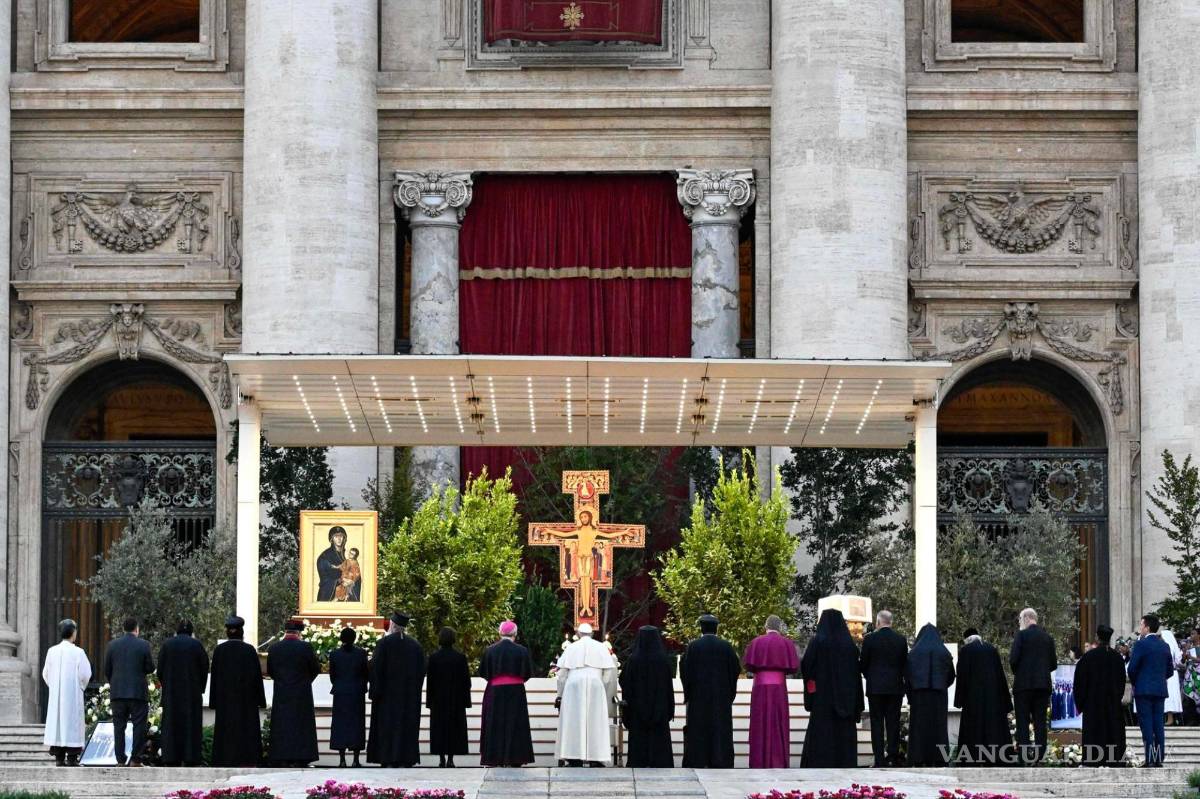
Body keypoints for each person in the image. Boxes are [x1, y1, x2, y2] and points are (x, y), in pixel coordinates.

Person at [800, 608, 864, 768]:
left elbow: (807, 665)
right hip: (846, 701)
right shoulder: (850, 646)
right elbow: (856, 675)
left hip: (822, 701)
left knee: (822, 736)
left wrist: (812, 690)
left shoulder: (817, 642)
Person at [680, 614, 740, 768]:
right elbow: (735, 670)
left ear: (701, 627)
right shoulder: (726, 647)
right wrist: (729, 693)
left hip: (698, 698)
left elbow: (685, 671)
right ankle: (720, 760)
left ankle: (697, 759)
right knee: (720, 731)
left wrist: (688, 692)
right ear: (716, 628)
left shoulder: (693, 647)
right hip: (721, 698)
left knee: (698, 730)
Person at [368, 611, 426, 767]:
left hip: (387, 697)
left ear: (392, 625)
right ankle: (406, 758)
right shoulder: (416, 646)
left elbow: (375, 669)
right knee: (406, 727)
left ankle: (387, 758)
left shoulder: (383, 644)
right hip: (408, 698)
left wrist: (375, 692)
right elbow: (421, 672)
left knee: (388, 727)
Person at [555, 622, 618, 766]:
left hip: (573, 684)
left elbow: (562, 674)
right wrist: (602, 685)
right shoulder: (601, 647)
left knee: (573, 721)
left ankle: (573, 757)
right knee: (595, 721)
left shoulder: (571, 647)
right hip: (596, 684)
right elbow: (608, 672)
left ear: (578, 634)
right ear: (592, 634)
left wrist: (560, 693)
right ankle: (595, 758)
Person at [209, 615, 266, 768]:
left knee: (226, 732)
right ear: (241, 632)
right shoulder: (249, 650)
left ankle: (225, 759)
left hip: (225, 701)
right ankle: (248, 759)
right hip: (246, 702)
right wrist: (261, 700)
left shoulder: (219, 651)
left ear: (227, 632)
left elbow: (214, 678)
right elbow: (257, 678)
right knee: (246, 732)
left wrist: (213, 700)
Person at [743, 615, 799, 768]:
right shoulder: (787, 643)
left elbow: (748, 664)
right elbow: (794, 666)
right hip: (779, 688)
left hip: (760, 686)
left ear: (765, 626)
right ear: (779, 627)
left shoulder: (756, 642)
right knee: (778, 722)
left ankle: (758, 761)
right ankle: (778, 761)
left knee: (759, 723)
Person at [479, 620, 535, 767]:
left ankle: (495, 758)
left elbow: (484, 672)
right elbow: (527, 673)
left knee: (495, 724)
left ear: (500, 633)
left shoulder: (490, 650)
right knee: (516, 724)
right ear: (515, 634)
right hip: (516, 692)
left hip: (495, 692)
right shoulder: (522, 650)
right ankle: (516, 758)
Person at [953, 628, 1012, 767]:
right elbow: (1000, 676)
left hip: (973, 700)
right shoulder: (992, 650)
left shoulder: (966, 651)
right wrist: (1006, 702)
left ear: (967, 640)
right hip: (993, 700)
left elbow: (961, 676)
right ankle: (995, 757)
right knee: (993, 729)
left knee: (973, 730)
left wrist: (959, 700)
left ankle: (971, 758)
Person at [619, 625, 675, 768]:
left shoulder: (633, 660)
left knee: (639, 739)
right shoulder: (663, 660)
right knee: (659, 738)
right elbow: (669, 685)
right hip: (659, 707)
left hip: (638, 708)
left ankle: (639, 760)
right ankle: (660, 760)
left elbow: (623, 681)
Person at [267, 618, 321, 767]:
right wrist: (305, 681)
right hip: (301, 693)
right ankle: (301, 758)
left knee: (282, 725)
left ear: (286, 632)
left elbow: (270, 671)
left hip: (282, 693)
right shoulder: (305, 647)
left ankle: (281, 757)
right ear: (299, 633)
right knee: (301, 725)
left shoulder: (274, 648)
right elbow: (316, 669)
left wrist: (282, 681)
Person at [859, 609, 909, 767]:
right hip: (895, 688)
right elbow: (904, 665)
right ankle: (893, 757)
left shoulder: (869, 639)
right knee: (893, 722)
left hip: (875, 688)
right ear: (891, 622)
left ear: (878, 622)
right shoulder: (901, 640)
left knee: (877, 723)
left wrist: (870, 677)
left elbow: (863, 665)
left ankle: (879, 758)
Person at [103, 617, 154, 767]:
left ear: (123, 629)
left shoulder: (112, 645)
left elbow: (107, 670)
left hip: (118, 693)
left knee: (119, 726)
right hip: (137, 693)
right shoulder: (144, 645)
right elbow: (150, 667)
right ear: (136, 629)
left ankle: (120, 759)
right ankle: (135, 759)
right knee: (139, 726)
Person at [157, 619, 209, 766]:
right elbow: (204, 668)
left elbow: (160, 670)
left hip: (171, 695)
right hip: (191, 695)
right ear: (191, 632)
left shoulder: (167, 645)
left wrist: (167, 685)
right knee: (191, 726)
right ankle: (191, 757)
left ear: (177, 631)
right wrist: (200, 688)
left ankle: (171, 757)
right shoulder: (197, 645)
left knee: (171, 725)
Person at [1073, 624, 1127, 766]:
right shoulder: (1117, 658)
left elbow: (1079, 681)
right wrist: (1116, 697)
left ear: (1097, 637)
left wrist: (1081, 703)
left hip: (1093, 705)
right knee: (1112, 732)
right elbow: (1122, 681)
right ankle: (1113, 759)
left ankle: (1093, 759)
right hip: (1112, 704)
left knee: (1094, 733)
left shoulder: (1088, 657)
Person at [1009, 607, 1056, 764]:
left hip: (1023, 686)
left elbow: (1013, 660)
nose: (1020, 623)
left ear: (1027, 618)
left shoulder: (1021, 636)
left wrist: (1021, 673)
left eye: (1020, 620)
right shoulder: (1048, 638)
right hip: (1042, 686)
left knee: (1022, 721)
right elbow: (1053, 664)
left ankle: (1023, 756)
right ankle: (1040, 756)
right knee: (1040, 721)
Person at [904, 623, 955, 766]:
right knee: (938, 728)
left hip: (919, 696)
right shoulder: (943, 652)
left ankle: (918, 758)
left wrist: (910, 695)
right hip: (938, 696)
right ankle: (939, 758)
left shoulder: (914, 653)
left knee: (919, 728)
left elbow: (907, 676)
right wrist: (942, 686)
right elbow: (951, 675)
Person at [42, 619, 91, 767]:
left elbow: (46, 673)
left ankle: (59, 758)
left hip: (57, 696)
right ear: (73, 633)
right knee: (72, 724)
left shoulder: (52, 651)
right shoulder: (78, 652)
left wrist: (55, 686)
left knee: (58, 724)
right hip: (72, 696)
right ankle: (71, 758)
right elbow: (85, 674)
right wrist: (80, 687)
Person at [1128, 614, 1174, 767]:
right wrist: (1159, 679)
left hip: (1143, 690)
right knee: (1158, 725)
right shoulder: (1164, 645)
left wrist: (1137, 682)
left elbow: (1132, 668)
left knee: (1147, 725)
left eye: (1141, 625)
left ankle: (1150, 758)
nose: (1140, 628)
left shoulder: (1141, 644)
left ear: (1147, 627)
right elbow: (1170, 671)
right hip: (1159, 690)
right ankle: (1159, 758)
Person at [426, 626, 472, 768]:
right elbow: (466, 681)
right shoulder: (460, 658)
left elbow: (430, 682)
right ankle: (451, 758)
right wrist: (465, 700)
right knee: (454, 728)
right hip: (455, 700)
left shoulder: (433, 658)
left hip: (438, 700)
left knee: (439, 728)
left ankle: (441, 758)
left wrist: (430, 701)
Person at [329, 626, 370, 767]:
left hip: (340, 693)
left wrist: (340, 685)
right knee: (356, 726)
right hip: (356, 693)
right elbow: (366, 673)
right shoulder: (361, 654)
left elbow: (332, 676)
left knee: (340, 725)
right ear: (354, 638)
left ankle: (342, 760)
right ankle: (356, 760)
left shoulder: (334, 654)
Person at [316, 526, 350, 602]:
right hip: (329, 594)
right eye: (336, 536)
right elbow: (324, 578)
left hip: (344, 592)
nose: (339, 539)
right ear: (332, 539)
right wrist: (339, 580)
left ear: (344, 538)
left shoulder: (345, 555)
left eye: (341, 536)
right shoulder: (325, 556)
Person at [1162, 628, 1184, 725]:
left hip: (1169, 674)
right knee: (1169, 696)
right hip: (1173, 674)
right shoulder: (1173, 647)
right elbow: (1178, 661)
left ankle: (1170, 719)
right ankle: (1169, 718)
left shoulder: (1168, 647)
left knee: (1169, 696)